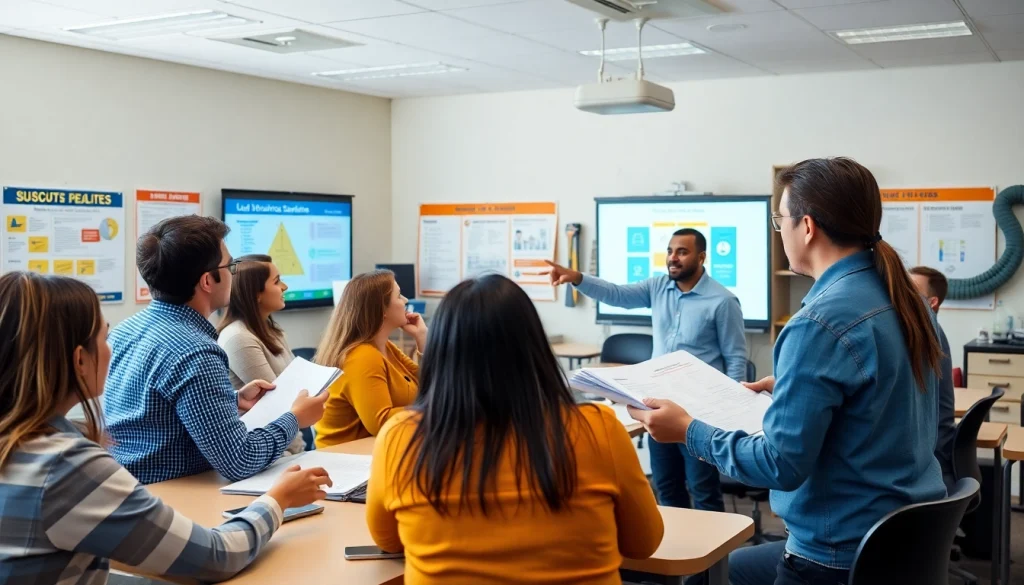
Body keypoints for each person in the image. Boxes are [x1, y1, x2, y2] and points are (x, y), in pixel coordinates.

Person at [628, 158, 947, 585]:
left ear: (808, 227)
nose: (779, 234)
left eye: (780, 222)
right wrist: (796, 388)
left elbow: (780, 465)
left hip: (835, 554)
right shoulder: (906, 300)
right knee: (722, 572)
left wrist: (687, 430)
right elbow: (886, 393)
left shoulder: (819, 323)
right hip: (901, 542)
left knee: (706, 576)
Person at [0, 271, 332, 585]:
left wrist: (227, 401)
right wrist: (277, 500)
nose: (111, 349)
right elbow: (216, 556)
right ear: (79, 360)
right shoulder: (66, 467)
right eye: (103, 336)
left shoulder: (27, 447)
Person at [366, 274, 664, 584]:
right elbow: (644, 543)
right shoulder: (598, 428)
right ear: (534, 348)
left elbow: (388, 541)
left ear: (443, 350)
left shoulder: (400, 436)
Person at [103, 216, 328, 484]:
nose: (234, 274)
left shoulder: (126, 329)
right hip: (177, 498)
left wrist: (232, 400)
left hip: (133, 489)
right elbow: (239, 460)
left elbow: (153, 415)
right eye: (230, 266)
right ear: (208, 281)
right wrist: (295, 418)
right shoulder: (196, 352)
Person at [545, 227, 746, 514]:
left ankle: (714, 559)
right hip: (657, 408)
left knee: (703, 490)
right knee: (666, 485)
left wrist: (730, 408)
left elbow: (735, 358)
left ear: (701, 257)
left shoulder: (723, 301)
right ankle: (677, 552)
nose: (672, 258)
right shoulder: (657, 287)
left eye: (682, 251)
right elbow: (617, 294)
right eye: (670, 251)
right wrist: (577, 278)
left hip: (698, 414)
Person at [313, 269, 426, 447]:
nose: (405, 301)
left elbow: (427, 384)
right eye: (399, 296)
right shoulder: (362, 356)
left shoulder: (384, 347)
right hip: (347, 463)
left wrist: (422, 338)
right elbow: (380, 422)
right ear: (382, 309)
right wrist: (434, 410)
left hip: (374, 453)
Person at [217, 254, 305, 455]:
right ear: (255, 293)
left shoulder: (272, 331)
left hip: (287, 449)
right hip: (265, 453)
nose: (285, 287)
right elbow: (277, 405)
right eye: (276, 281)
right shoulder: (238, 338)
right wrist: (296, 454)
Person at [910, 265, 956, 489]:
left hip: (931, 454)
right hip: (935, 448)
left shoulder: (925, 336)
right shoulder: (930, 331)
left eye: (912, 291)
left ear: (932, 302)